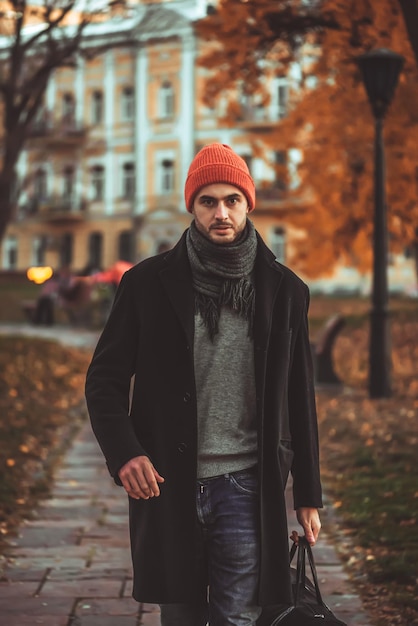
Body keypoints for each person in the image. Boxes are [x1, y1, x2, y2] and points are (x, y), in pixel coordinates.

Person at [85, 143, 322, 626]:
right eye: (208, 201)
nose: (221, 212)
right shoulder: (146, 284)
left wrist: (309, 494)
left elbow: (300, 396)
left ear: (247, 204)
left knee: (238, 617)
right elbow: (104, 379)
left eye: (231, 200)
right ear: (192, 206)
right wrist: (125, 452)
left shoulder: (285, 290)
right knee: (182, 617)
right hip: (167, 482)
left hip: (247, 486)